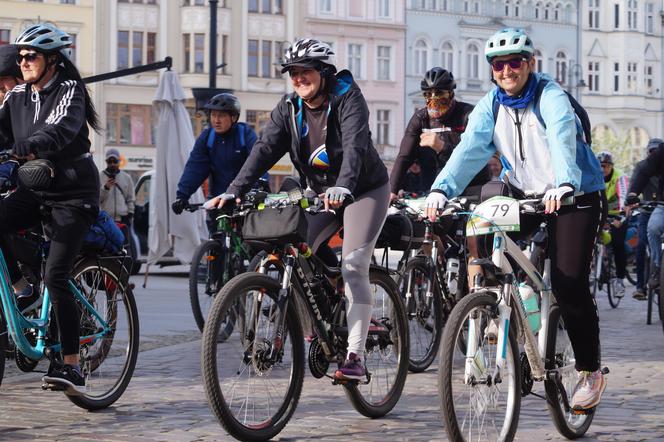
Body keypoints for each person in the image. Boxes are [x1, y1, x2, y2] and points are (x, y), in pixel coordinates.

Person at [424, 28, 606, 410]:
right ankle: (495, 305)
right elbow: (469, 149)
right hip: (525, 194)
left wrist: (564, 183)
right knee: (480, 225)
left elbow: (561, 138)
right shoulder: (491, 104)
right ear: (492, 70)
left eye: (515, 62)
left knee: (568, 281)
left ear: (530, 64)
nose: (507, 70)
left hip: (575, 194)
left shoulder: (550, 96)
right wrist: (441, 190)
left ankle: (591, 370)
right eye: (499, 64)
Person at [207, 37, 390, 381]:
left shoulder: (348, 97)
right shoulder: (290, 108)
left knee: (353, 265)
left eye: (305, 71)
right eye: (292, 72)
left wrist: (344, 185)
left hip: (363, 189)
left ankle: (355, 355)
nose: (298, 78)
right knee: (296, 247)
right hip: (319, 193)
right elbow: (264, 150)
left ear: (323, 71)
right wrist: (233, 191)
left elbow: (355, 146)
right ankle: (321, 315)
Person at [0, 23, 101, 394]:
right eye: (21, 56)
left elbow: (59, 130)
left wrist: (24, 148)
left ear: (52, 59)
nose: (24, 62)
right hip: (35, 189)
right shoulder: (17, 97)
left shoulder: (70, 90)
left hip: (74, 194)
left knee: (56, 276)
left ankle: (72, 366)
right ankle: (21, 287)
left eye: (31, 56)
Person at [390, 67, 490, 200]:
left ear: (451, 94)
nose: (433, 99)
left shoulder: (468, 115)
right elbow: (404, 157)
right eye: (428, 94)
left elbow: (474, 158)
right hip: (431, 191)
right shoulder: (420, 119)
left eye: (439, 93)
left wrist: (443, 147)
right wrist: (392, 190)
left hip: (471, 189)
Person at [171, 93, 258, 220]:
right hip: (217, 201)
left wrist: (257, 190)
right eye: (213, 115)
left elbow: (258, 163)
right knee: (217, 236)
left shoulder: (245, 135)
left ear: (233, 117)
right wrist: (182, 196)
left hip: (244, 200)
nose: (216, 120)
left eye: (221, 115)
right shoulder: (207, 138)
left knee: (247, 237)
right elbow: (195, 168)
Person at [628, 139, 664, 292]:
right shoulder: (662, 151)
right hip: (662, 205)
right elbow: (644, 170)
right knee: (653, 227)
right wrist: (633, 192)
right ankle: (656, 266)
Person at [597, 151, 629, 298]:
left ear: (611, 166)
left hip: (618, 215)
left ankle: (619, 279)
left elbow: (624, 200)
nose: (603, 169)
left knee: (617, 243)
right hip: (600, 215)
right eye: (600, 166)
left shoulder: (620, 177)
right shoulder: (594, 176)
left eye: (606, 166)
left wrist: (620, 218)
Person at [100, 148, 135, 225]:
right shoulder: (100, 177)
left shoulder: (126, 177)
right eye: (110, 161)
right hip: (106, 219)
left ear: (119, 162)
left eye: (115, 161)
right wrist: (105, 188)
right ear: (106, 162)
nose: (112, 164)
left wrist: (130, 214)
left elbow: (130, 198)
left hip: (123, 219)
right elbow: (97, 199)